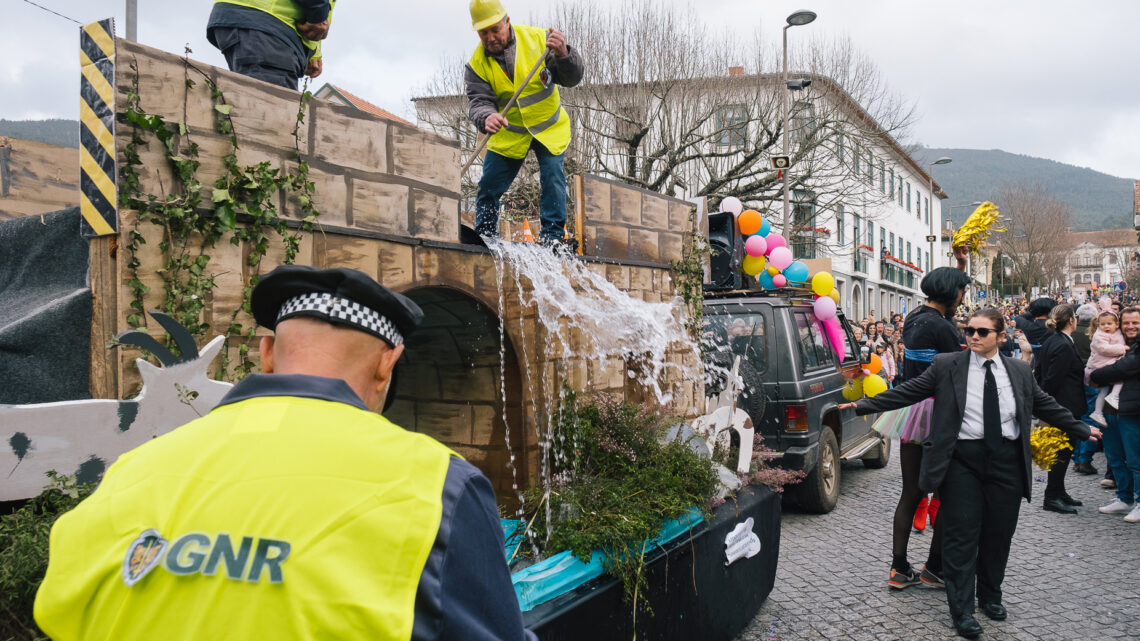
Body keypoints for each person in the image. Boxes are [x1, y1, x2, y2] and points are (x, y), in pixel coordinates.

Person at [34, 265, 536, 641]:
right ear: (389, 363)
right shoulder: (438, 486)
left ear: (267, 352)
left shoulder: (134, 470)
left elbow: (56, 612)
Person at [841, 308, 1097, 639]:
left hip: (1006, 459)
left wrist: (1079, 427)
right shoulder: (948, 366)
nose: (974, 336)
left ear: (1001, 337)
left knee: (999, 532)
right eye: (969, 331)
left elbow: (1044, 403)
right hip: (962, 460)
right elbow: (910, 390)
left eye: (982, 332)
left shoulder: (1019, 371)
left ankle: (990, 595)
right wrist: (863, 405)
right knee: (961, 534)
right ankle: (961, 610)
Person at [874, 256, 969, 593]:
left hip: (912, 412)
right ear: (951, 293)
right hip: (939, 416)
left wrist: (960, 261)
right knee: (948, 494)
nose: (962, 298)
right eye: (961, 292)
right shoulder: (944, 327)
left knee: (911, 493)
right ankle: (934, 566)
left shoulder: (914, 317)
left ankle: (899, 567)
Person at [466, 0, 584, 245]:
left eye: (495, 29)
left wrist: (564, 54)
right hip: (510, 135)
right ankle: (485, 237)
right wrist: (486, 116)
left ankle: (553, 237)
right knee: (488, 185)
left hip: (547, 128)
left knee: (552, 177)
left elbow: (572, 78)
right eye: (483, 32)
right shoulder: (476, 65)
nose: (490, 38)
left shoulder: (540, 41)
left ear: (507, 22)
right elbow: (478, 101)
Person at [1033, 304, 1090, 514]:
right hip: (1063, 405)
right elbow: (1052, 378)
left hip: (1061, 404)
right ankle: (1051, 496)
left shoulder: (1054, 340)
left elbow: (1039, 370)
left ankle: (1059, 491)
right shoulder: (1062, 344)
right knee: (1061, 452)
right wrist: (1046, 408)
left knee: (1064, 451)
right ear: (1072, 320)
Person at [207, 0, 334, 90]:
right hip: (267, 23)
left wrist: (313, 51)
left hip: (256, 23)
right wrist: (318, 13)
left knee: (251, 104)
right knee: (272, 113)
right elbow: (320, 16)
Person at [1090, 306, 1140, 524]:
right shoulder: (1114, 339)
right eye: (1126, 322)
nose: (1130, 326)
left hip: (1132, 409)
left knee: (1135, 459)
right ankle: (1124, 497)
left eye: (1135, 322)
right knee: (1115, 456)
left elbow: (1123, 369)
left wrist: (1097, 375)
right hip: (1109, 409)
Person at [1086, 311, 1126, 427]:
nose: (1106, 327)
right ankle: (1114, 395)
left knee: (1103, 391)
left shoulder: (1116, 333)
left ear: (1117, 324)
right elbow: (1104, 349)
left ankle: (1098, 412)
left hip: (1104, 364)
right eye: (1103, 324)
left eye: (1109, 324)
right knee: (1120, 377)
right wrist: (1122, 348)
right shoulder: (1099, 335)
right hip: (1102, 363)